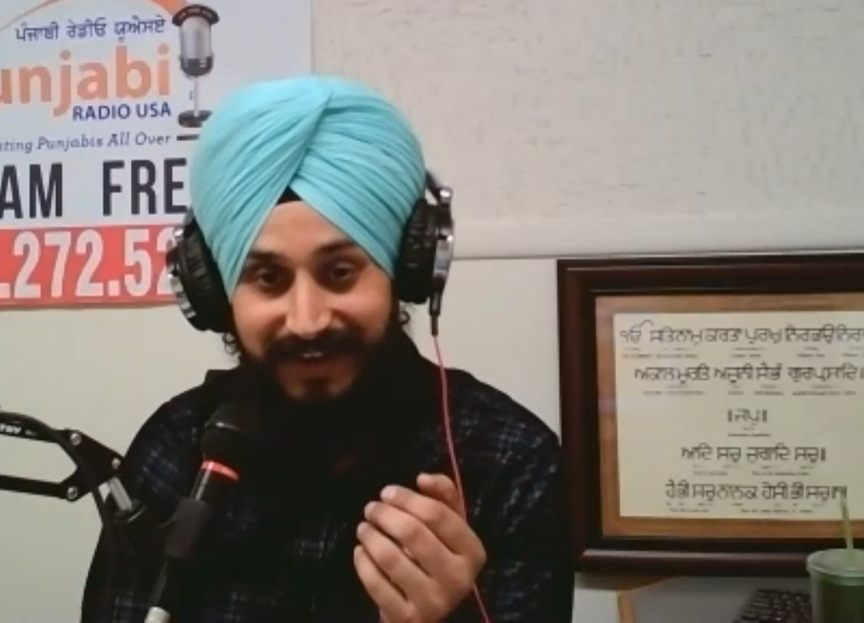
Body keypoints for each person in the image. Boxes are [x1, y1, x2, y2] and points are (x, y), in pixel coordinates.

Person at [80, 75, 573, 623]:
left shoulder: (508, 462)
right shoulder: (176, 449)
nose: (308, 321)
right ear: (214, 292)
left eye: (340, 273)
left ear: (406, 271)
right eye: (268, 278)